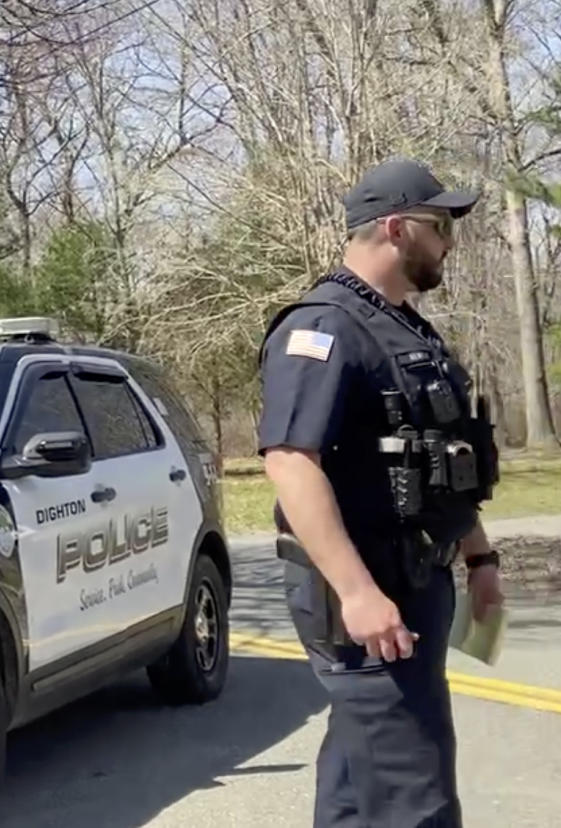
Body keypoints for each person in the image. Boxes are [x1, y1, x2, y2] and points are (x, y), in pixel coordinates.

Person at [256, 157, 506, 828]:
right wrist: (357, 592)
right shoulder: (322, 329)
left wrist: (477, 557)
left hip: (414, 576)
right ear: (395, 229)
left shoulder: (401, 327)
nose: (449, 240)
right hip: (364, 591)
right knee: (411, 793)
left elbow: (441, 458)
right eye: (439, 225)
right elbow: (288, 461)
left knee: (358, 776)